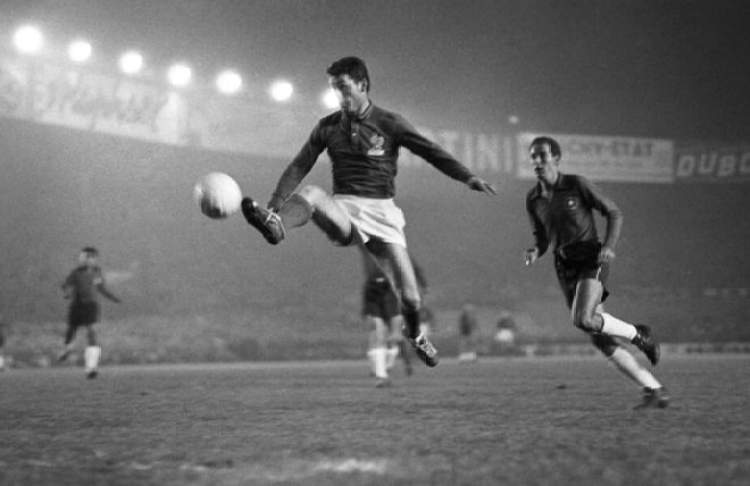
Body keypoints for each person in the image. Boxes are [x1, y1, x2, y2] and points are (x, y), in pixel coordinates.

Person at [241, 56, 495, 368]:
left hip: (382, 213)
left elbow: (431, 151)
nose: (339, 95)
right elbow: (300, 165)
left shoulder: (389, 122)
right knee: (312, 193)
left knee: (411, 299)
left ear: (362, 85)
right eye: (334, 88)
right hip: (344, 209)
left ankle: (415, 335)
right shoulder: (327, 127)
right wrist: (274, 204)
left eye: (343, 87)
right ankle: (276, 224)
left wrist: (466, 177)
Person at [523, 136, 668, 409]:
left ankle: (639, 334)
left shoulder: (576, 184)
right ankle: (653, 389)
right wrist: (535, 251)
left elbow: (614, 212)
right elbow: (542, 239)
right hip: (564, 264)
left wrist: (609, 246)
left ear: (556, 158)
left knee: (583, 319)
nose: (537, 161)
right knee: (598, 336)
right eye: (533, 156)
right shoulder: (533, 199)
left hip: (591, 256)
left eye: (542, 155)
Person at [59, 247, 121, 379]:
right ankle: (67, 349)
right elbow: (66, 285)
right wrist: (66, 292)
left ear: (93, 259)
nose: (81, 259)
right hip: (77, 305)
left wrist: (113, 298)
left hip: (91, 306)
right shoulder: (76, 273)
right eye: (81, 257)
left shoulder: (97, 272)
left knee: (91, 331)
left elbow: (101, 288)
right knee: (72, 329)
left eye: (85, 257)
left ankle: (91, 367)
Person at [361, 255, 412, 387]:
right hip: (373, 293)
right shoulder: (367, 249)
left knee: (394, 336)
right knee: (378, 333)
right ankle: (381, 375)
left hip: (391, 294)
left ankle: (386, 367)